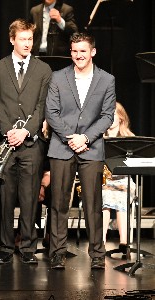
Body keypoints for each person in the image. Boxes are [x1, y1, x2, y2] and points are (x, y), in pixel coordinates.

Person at [45, 32, 116, 269]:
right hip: (62, 147)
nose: (78, 55)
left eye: (83, 51)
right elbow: (51, 113)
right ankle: (57, 252)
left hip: (91, 147)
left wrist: (85, 137)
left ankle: (97, 253)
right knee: (59, 203)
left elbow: (107, 116)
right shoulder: (57, 77)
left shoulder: (107, 80)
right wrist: (71, 138)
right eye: (75, 51)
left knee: (94, 204)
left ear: (93, 52)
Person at [0, 19, 52, 265]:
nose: (27, 44)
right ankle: (5, 247)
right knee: (5, 198)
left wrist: (25, 132)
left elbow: (42, 105)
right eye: (22, 39)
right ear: (12, 40)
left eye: (30, 39)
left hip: (32, 144)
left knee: (29, 197)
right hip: (5, 144)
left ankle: (27, 247)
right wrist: (9, 132)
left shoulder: (43, 69)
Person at [102, 102, 136, 252]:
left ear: (121, 118)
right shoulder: (99, 136)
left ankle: (124, 242)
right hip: (104, 181)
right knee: (104, 198)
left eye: (113, 114)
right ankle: (100, 241)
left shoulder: (129, 137)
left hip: (124, 179)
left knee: (122, 195)